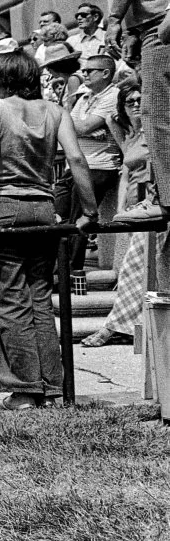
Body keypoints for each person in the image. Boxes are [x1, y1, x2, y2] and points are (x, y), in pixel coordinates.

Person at [0, 51, 97, 410]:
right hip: (44, 209)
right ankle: (52, 387)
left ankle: (25, 391)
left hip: (3, 210)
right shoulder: (54, 111)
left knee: (12, 302)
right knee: (40, 301)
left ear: (6, 78)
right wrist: (89, 211)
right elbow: (77, 159)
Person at [101, 0, 170, 235]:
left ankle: (163, 198)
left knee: (157, 113)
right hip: (149, 22)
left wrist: (113, 18)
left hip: (161, 19)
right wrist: (129, 29)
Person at [86, 85, 156, 347]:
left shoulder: (156, 130)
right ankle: (134, 332)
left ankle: (113, 327)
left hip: (151, 206)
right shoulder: (131, 134)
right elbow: (125, 173)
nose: (136, 104)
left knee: (133, 270)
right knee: (134, 270)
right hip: (132, 208)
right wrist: (118, 212)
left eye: (141, 99)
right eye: (129, 102)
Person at [62, 53, 122, 279]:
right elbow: (66, 126)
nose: (83, 74)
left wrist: (81, 127)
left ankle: (70, 270)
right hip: (75, 166)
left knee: (80, 219)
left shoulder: (113, 95)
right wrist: (81, 127)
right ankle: (60, 267)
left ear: (105, 73)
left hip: (99, 167)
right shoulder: (85, 96)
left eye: (89, 71)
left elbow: (82, 127)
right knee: (58, 215)